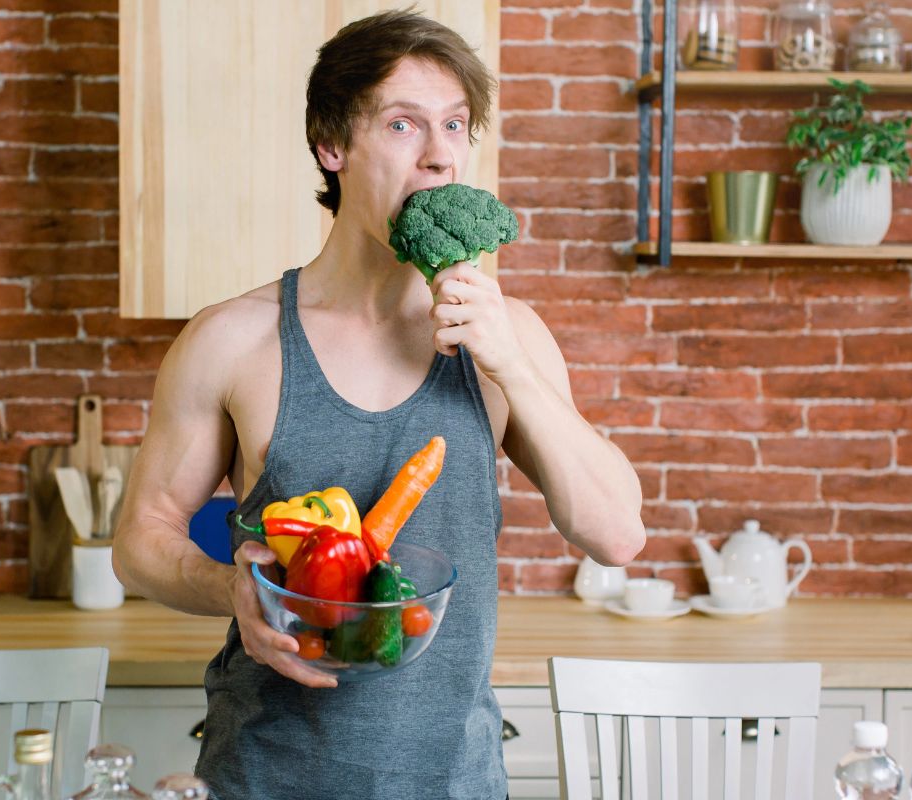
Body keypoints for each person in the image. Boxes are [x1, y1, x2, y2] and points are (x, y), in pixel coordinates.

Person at [112, 9, 645, 800]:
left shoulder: (508, 338)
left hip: (455, 781)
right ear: (333, 146)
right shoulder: (235, 341)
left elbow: (619, 535)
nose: (439, 156)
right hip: (266, 777)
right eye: (403, 125)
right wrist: (232, 586)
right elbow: (139, 539)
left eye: (456, 126)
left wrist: (515, 366)